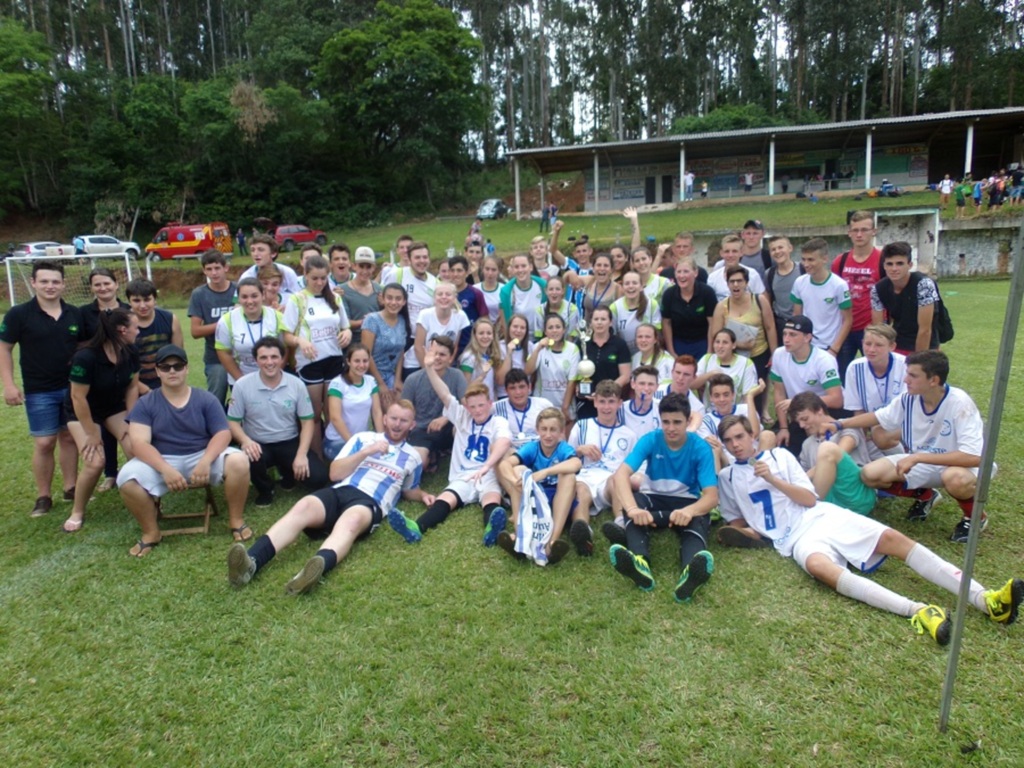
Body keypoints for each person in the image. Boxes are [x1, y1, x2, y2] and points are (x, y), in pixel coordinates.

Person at [716, 414, 1023, 646]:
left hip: (820, 515)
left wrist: (772, 479)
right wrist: (750, 533)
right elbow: (736, 520)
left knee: (893, 539)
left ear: (752, 435)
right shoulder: (727, 478)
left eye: (740, 436)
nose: (735, 444)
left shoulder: (779, 457)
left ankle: (985, 599)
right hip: (793, 540)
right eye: (728, 441)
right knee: (821, 569)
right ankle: (918, 611)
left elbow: (809, 499)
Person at [227, 400, 433, 595]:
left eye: (404, 420)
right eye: (394, 418)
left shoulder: (413, 457)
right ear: (385, 419)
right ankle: (251, 562)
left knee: (351, 522)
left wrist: (424, 495)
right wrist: (366, 452)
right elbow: (334, 473)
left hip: (370, 501)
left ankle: (312, 571)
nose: (397, 424)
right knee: (303, 506)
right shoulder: (363, 438)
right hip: (340, 490)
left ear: (412, 425)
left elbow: (409, 489)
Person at [830, 351, 988, 543]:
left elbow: (974, 457)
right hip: (924, 462)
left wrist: (917, 457)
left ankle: (975, 518)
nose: (906, 380)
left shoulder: (960, 403)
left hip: (960, 466)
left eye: (913, 375)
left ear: (933, 380)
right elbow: (878, 417)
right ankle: (926, 495)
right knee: (869, 475)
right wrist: (840, 424)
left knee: (954, 478)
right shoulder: (908, 398)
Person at [117, 344, 251, 557]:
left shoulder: (205, 398)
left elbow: (223, 433)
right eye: (165, 367)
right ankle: (151, 532)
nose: (172, 371)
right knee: (126, 478)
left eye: (178, 366)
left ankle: (236, 520)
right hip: (162, 458)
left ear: (186, 369)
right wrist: (165, 469)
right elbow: (139, 443)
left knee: (239, 461)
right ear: (157, 371)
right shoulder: (146, 403)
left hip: (201, 454)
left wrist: (206, 461)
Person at [387, 345, 512, 548]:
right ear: (466, 407)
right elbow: (444, 394)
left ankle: (492, 529)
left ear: (490, 404)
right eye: (472, 406)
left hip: (488, 474)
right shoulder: (462, 417)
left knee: (491, 499)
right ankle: (416, 528)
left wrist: (486, 466)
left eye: (481, 405)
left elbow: (503, 442)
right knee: (446, 499)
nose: (477, 410)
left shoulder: (498, 422)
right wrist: (429, 368)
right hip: (463, 475)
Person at [606, 393, 718, 602]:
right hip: (652, 499)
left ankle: (690, 572)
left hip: (685, 503)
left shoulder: (701, 447)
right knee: (635, 503)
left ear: (688, 421)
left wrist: (690, 511)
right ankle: (640, 563)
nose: (671, 428)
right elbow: (620, 475)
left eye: (677, 422)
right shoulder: (651, 439)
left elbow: (711, 497)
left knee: (700, 516)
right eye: (666, 422)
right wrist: (632, 509)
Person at [1, 261, 85, 517]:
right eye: (45, 281)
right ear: (34, 283)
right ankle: (43, 496)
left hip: (72, 388)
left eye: (55, 281)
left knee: (69, 437)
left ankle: (71, 488)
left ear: (63, 284)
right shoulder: (19, 314)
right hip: (39, 390)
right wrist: (9, 385)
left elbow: (84, 349)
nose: (50, 286)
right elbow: (4, 348)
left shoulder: (74, 314)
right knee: (45, 442)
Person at [61, 308, 141, 532]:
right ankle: (78, 511)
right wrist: (92, 433)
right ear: (122, 330)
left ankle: (148, 499)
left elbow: (132, 387)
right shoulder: (85, 357)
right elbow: (78, 397)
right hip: (83, 411)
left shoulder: (131, 352)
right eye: (136, 327)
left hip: (113, 406)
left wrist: (132, 421)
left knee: (136, 446)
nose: (139, 331)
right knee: (95, 461)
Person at [228, 337, 329, 506]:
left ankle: (287, 473)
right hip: (258, 443)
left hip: (289, 441)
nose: (269, 362)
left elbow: (307, 422)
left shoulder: (296, 384)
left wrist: (301, 454)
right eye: (263, 357)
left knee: (319, 478)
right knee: (249, 458)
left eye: (274, 357)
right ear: (256, 360)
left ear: (282, 358)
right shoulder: (242, 385)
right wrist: (245, 441)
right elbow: (232, 422)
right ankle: (265, 489)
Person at [496, 407, 581, 564]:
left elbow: (576, 463)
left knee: (568, 476)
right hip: (535, 500)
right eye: (544, 429)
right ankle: (521, 537)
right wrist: (514, 482)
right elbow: (505, 464)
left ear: (561, 432)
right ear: (537, 430)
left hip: (558, 500)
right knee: (518, 470)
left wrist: (545, 472)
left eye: (553, 430)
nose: (548, 435)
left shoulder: (563, 448)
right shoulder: (533, 447)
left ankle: (551, 543)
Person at [566, 380, 638, 556]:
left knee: (617, 480)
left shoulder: (629, 435)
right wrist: (580, 450)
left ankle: (621, 526)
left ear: (619, 403)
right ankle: (584, 533)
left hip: (609, 481)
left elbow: (633, 468)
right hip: (586, 476)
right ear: (595, 402)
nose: (606, 407)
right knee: (580, 490)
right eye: (602, 401)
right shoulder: (582, 426)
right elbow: (566, 457)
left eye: (611, 402)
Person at [79, 267, 131, 492]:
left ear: (116, 284)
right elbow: (80, 344)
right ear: (91, 288)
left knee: (126, 428)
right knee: (103, 430)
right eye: (97, 284)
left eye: (107, 283)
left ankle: (134, 471)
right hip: (96, 381)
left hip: (123, 378)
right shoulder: (83, 313)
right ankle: (110, 473)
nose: (103, 288)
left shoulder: (128, 311)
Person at [788, 391, 876, 515]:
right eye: (799, 422)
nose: (802, 425)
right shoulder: (807, 444)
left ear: (819, 410)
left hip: (855, 494)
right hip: (830, 500)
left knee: (827, 449)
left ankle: (812, 508)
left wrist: (807, 476)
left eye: (805, 419)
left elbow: (839, 452)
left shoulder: (847, 425)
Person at [769, 316, 842, 455]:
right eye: (784, 334)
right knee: (785, 450)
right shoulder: (779, 354)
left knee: (824, 451)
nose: (786, 339)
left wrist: (797, 403)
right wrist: (784, 428)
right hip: (800, 414)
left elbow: (836, 399)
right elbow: (779, 392)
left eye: (793, 335)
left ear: (807, 337)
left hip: (825, 411)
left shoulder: (824, 360)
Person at [709, 265, 776, 408]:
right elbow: (715, 334)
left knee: (756, 395)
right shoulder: (722, 306)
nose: (735, 285)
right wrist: (739, 345)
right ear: (727, 284)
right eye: (732, 281)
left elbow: (770, 327)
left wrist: (774, 353)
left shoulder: (760, 300)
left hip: (758, 354)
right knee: (734, 395)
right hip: (733, 357)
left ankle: (757, 418)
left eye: (739, 281)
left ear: (746, 283)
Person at [842, 323, 907, 459]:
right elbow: (857, 409)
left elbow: (905, 409)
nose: (871, 349)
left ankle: (907, 462)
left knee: (880, 434)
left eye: (879, 345)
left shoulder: (905, 366)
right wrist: (865, 434)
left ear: (892, 346)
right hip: (873, 424)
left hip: (905, 421)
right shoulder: (854, 368)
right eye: (868, 344)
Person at [402, 336, 466, 470]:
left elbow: (466, 406)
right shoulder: (412, 379)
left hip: (448, 429)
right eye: (433, 353)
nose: (437, 358)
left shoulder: (457, 376)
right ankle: (431, 454)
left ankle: (463, 463)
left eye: (442, 354)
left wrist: (446, 417)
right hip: (422, 430)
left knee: (460, 428)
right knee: (418, 464)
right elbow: (405, 411)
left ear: (450, 358)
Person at [791, 239, 853, 369]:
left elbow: (847, 320)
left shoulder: (839, 285)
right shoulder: (799, 282)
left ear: (824, 259)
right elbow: (797, 316)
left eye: (811, 260)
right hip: (808, 346)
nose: (806, 264)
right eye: (803, 259)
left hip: (830, 347)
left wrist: (834, 349)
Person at [870, 242, 940, 355]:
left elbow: (925, 330)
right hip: (897, 344)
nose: (894, 268)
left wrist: (919, 360)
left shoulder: (923, 284)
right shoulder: (877, 289)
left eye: (900, 264)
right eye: (889, 264)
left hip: (926, 345)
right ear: (884, 266)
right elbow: (879, 328)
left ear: (910, 265)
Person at [214, 277, 285, 385]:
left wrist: (275, 374)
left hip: (273, 379)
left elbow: (286, 349)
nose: (250, 301)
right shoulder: (227, 320)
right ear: (238, 299)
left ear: (263, 295)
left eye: (254, 296)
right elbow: (224, 353)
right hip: (241, 378)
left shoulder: (277, 317)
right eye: (244, 297)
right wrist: (242, 381)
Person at [696, 373, 771, 470]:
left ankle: (763, 470)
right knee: (713, 448)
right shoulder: (706, 421)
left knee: (768, 435)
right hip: (728, 463)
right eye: (717, 396)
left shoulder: (746, 409)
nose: (722, 399)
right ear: (711, 398)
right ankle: (722, 479)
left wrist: (749, 397)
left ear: (733, 395)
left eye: (726, 395)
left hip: (753, 456)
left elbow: (755, 433)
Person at [323, 344, 384, 461]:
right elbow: (335, 418)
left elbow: (377, 412)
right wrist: (355, 445)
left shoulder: (371, 381)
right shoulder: (337, 383)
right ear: (348, 361)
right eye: (357, 361)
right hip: (338, 440)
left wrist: (381, 438)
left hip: (362, 439)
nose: (361, 365)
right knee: (360, 462)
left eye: (365, 361)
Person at [574, 305, 631, 421]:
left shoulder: (619, 344)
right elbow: (574, 370)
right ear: (591, 323)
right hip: (585, 400)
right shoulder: (582, 343)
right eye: (596, 319)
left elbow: (625, 376)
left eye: (603, 319)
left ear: (610, 322)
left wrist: (605, 393)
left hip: (609, 401)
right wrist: (577, 386)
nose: (599, 323)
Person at [127, 278, 183, 391]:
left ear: (155, 300)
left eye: (147, 300)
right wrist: (145, 390)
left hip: (165, 383)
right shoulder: (123, 324)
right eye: (136, 301)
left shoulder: (170, 319)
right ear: (129, 302)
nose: (142, 305)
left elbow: (178, 357)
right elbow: (122, 367)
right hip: (134, 386)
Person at [361, 283, 411, 408]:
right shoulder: (372, 320)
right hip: (373, 375)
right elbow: (366, 354)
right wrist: (381, 384)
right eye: (389, 298)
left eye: (398, 299)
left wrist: (397, 380)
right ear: (382, 299)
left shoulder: (402, 320)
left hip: (391, 375)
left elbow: (400, 352)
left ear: (404, 302)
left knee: (404, 408)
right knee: (389, 410)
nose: (393, 302)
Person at [525, 313, 579, 426]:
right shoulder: (538, 347)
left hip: (564, 405)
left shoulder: (573, 349)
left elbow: (571, 382)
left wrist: (565, 407)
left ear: (564, 330)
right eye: (550, 327)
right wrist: (538, 348)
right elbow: (528, 371)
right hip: (542, 406)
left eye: (558, 327)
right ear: (545, 331)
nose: (554, 330)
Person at [660, 255, 718, 358]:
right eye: (678, 272)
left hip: (702, 341)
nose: (681, 276)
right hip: (678, 342)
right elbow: (666, 323)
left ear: (695, 273)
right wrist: (671, 351)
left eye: (686, 271)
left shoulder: (707, 292)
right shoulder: (669, 294)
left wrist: (709, 351)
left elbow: (712, 323)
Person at [411, 281, 469, 373]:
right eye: (440, 294)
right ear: (434, 298)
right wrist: (429, 372)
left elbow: (454, 346)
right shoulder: (425, 315)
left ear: (454, 298)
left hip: (443, 364)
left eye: (448, 294)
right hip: (419, 363)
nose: (444, 297)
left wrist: (445, 368)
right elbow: (418, 347)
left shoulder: (460, 316)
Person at [693, 328, 758, 407]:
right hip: (709, 411)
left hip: (736, 412)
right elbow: (691, 384)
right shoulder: (707, 359)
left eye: (725, 342)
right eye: (717, 342)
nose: (720, 346)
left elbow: (748, 396)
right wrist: (710, 374)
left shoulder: (746, 364)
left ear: (733, 345)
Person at [493, 368, 555, 450]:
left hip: (539, 452)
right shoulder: (496, 408)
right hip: (509, 453)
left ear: (529, 387)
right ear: (506, 391)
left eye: (521, 387)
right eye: (512, 388)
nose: (518, 392)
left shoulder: (544, 405)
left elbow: (558, 432)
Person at [610, 271, 661, 355]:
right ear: (622, 287)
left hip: (648, 354)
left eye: (634, 283)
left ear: (641, 286)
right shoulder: (614, 307)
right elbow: (613, 336)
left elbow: (657, 334)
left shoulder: (652, 304)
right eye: (627, 283)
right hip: (625, 354)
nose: (631, 286)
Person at [764, 236, 803, 345]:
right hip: (781, 324)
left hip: (802, 322)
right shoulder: (769, 274)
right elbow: (767, 302)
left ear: (790, 248)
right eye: (773, 249)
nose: (777, 252)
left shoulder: (802, 270)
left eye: (780, 247)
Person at [341, 246, 382, 345]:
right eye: (361, 266)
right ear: (354, 266)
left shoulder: (379, 289)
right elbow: (343, 322)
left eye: (368, 267)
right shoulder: (343, 291)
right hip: (355, 343)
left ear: (374, 268)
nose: (365, 271)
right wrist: (365, 321)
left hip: (377, 340)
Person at [564, 252, 620, 323]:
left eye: (606, 266)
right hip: (587, 328)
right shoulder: (590, 281)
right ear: (593, 268)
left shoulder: (617, 289)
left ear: (611, 270)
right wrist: (570, 273)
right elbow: (565, 280)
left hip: (607, 328)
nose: (602, 268)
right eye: (598, 265)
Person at [707, 235, 766, 300]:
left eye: (734, 251)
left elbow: (761, 300)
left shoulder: (752, 274)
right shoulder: (712, 278)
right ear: (721, 253)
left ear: (741, 252)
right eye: (727, 251)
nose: (730, 255)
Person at [449, 255, 488, 353]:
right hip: (449, 345)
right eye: (452, 270)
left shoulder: (475, 293)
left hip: (470, 346)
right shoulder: (444, 294)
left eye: (459, 270)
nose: (455, 274)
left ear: (467, 272)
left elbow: (484, 319)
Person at [656, 355, 705, 431]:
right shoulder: (654, 391)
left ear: (694, 378)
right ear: (672, 372)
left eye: (686, 374)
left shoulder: (698, 408)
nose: (680, 378)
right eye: (678, 372)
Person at [459, 318, 504, 398]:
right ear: (475, 335)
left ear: (493, 336)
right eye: (481, 333)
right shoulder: (468, 357)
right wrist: (482, 375)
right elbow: (465, 389)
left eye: (489, 333)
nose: (485, 336)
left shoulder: (489, 356)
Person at [499, 253, 547, 325]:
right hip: (519, 331)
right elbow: (506, 323)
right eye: (516, 267)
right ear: (513, 269)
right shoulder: (506, 292)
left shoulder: (542, 286)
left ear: (531, 267)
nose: (520, 270)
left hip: (541, 330)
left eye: (523, 266)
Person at [531, 274, 580, 341]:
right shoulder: (540, 310)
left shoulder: (572, 309)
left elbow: (571, 336)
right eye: (551, 289)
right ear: (546, 291)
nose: (554, 292)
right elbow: (539, 337)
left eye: (557, 289)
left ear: (563, 291)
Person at [618, 365, 662, 437]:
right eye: (642, 383)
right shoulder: (620, 409)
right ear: (633, 384)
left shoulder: (662, 408)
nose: (646, 388)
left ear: (657, 387)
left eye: (650, 384)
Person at [496, 313, 532, 398]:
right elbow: (501, 380)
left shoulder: (530, 346)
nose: (518, 330)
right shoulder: (499, 347)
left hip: (525, 394)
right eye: (515, 326)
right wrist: (509, 352)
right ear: (509, 328)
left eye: (522, 328)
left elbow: (531, 373)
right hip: (505, 395)